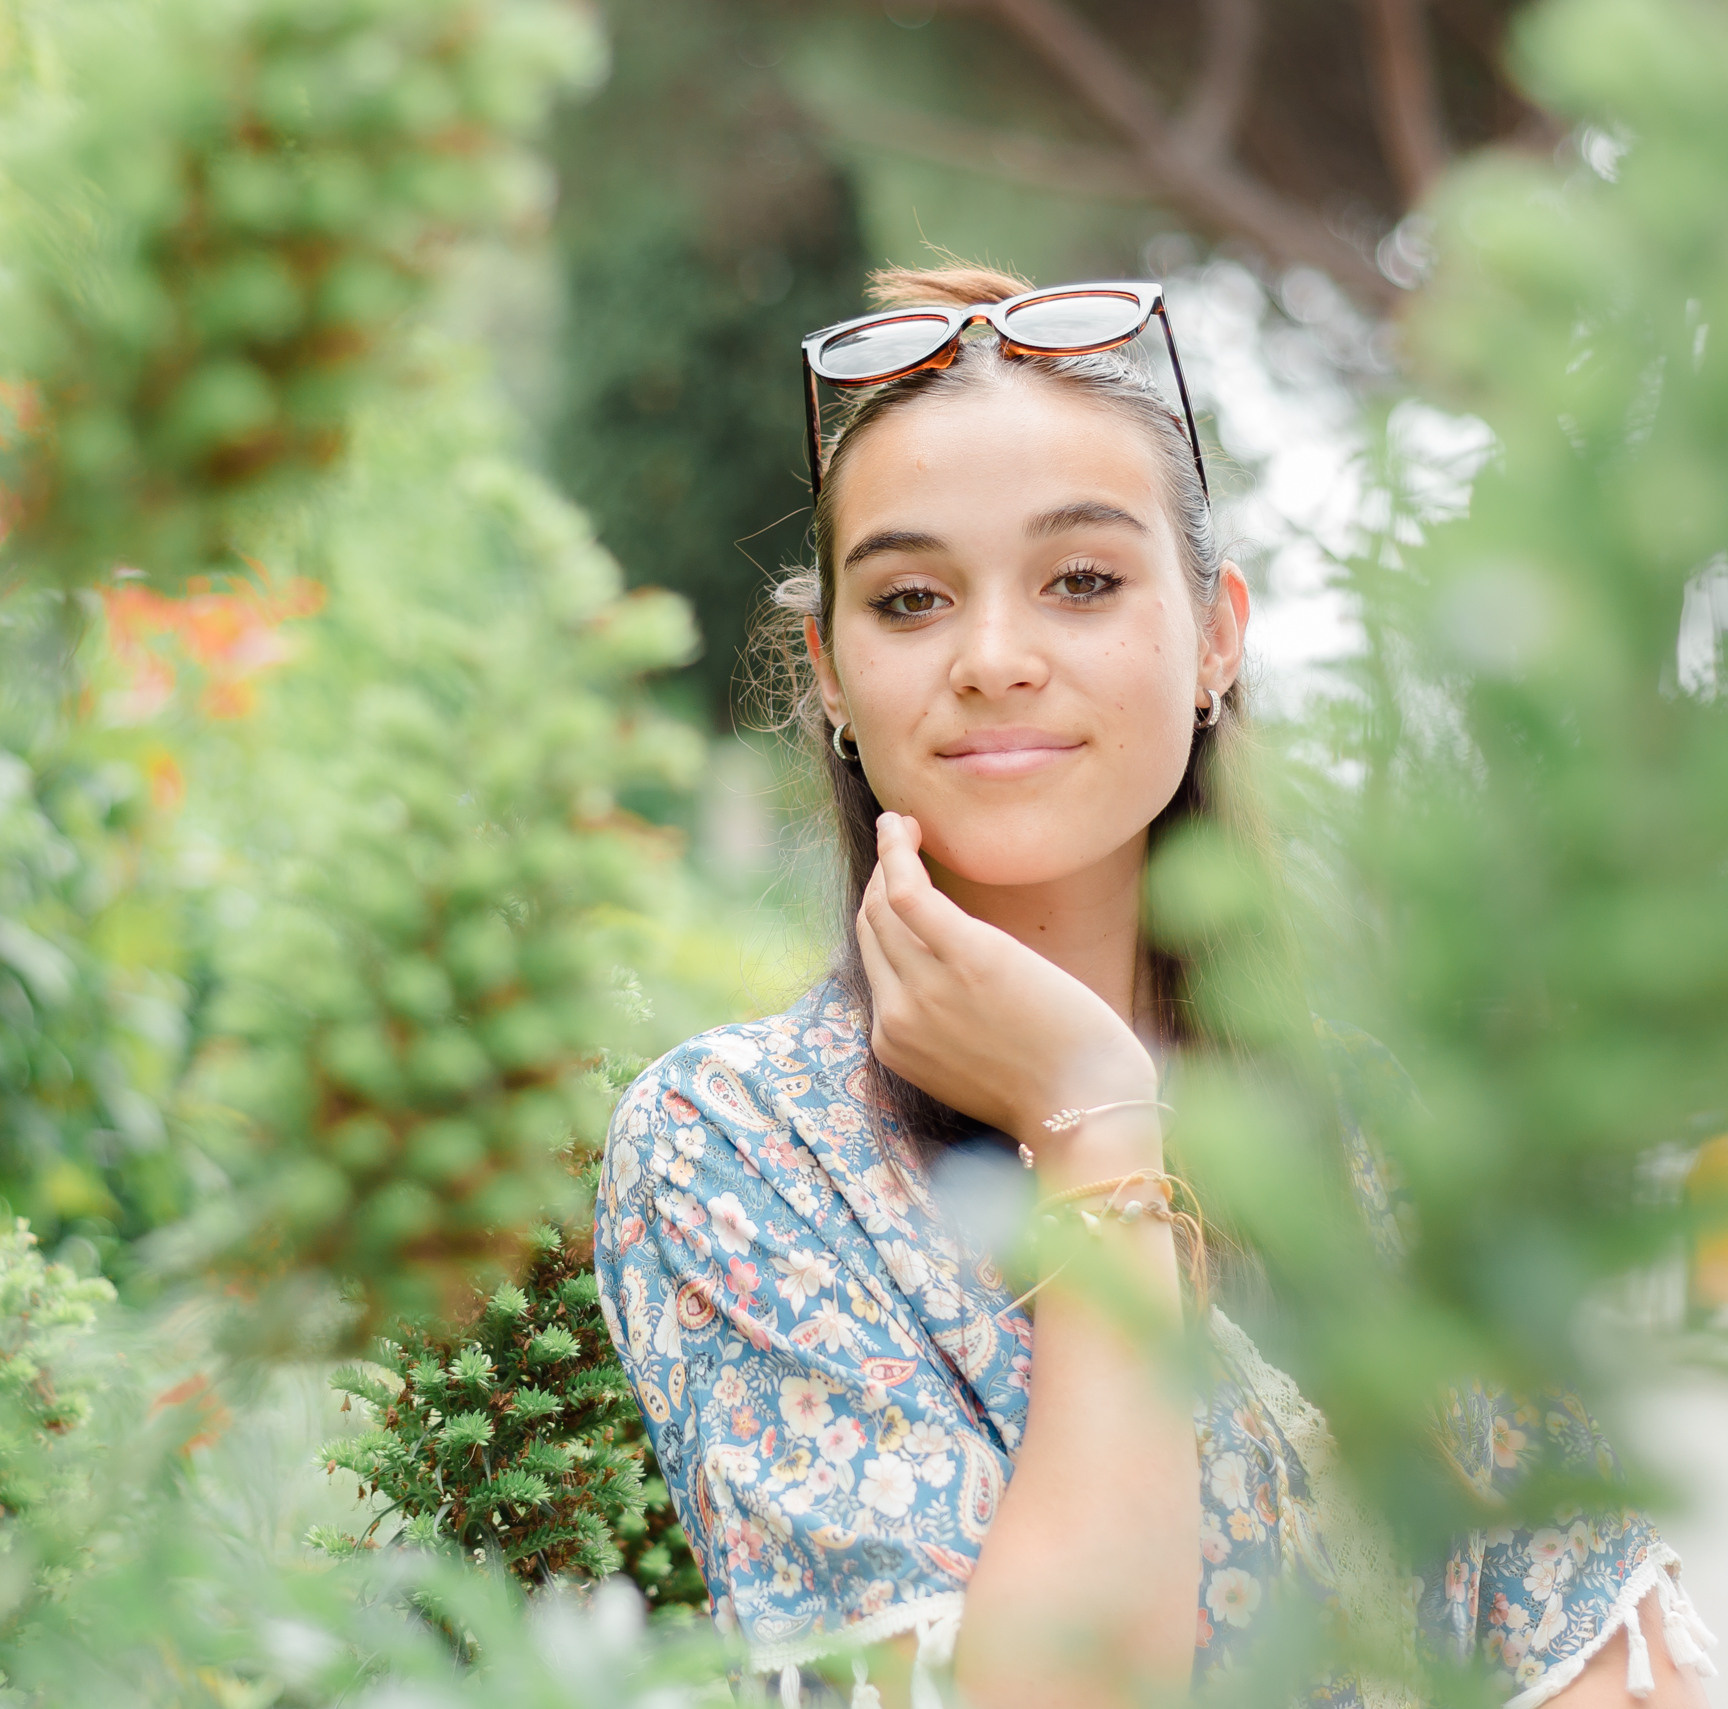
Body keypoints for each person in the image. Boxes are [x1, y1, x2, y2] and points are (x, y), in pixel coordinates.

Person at [593, 265, 1716, 1709]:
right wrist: (1094, 1129)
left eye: (1082, 580)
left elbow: (1613, 1674)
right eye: (913, 597)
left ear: (1216, 636)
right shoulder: (737, 1147)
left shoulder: (1382, 1133)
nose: (995, 659)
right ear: (830, 673)